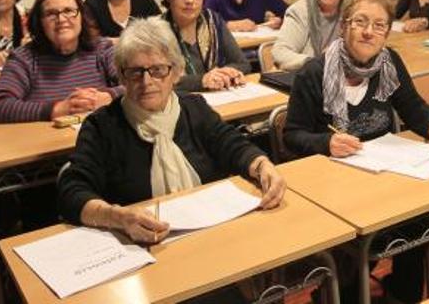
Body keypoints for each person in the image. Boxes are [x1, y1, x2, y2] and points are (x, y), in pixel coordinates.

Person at [57, 18, 284, 303]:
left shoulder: (194, 108)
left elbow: (232, 144)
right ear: (122, 77)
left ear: (175, 72)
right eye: (136, 72)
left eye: (157, 70)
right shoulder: (103, 126)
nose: (147, 81)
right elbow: (71, 191)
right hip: (143, 256)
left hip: (208, 244)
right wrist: (117, 217)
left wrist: (263, 165)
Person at [284, 0, 429, 303]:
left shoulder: (389, 62)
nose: (368, 32)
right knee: (352, 248)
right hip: (334, 182)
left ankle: (401, 293)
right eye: (360, 22)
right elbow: (292, 135)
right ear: (345, 24)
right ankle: (338, 294)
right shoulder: (313, 73)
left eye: (379, 25)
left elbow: (412, 106)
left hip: (384, 171)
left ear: (388, 32)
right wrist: (326, 142)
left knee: (422, 216)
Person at [0, 0, 122, 123]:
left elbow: (136, 85)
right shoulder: (23, 58)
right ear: (40, 22)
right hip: (47, 142)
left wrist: (109, 96)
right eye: (51, 14)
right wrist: (59, 109)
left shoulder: (102, 48)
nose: (61, 19)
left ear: (82, 16)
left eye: (69, 11)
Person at [159, 0, 251, 91]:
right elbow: (159, 79)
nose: (190, 0)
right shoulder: (156, 31)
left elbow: (243, 63)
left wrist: (226, 73)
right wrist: (201, 80)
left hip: (219, 96)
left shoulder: (213, 21)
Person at [272, 0, 352, 71]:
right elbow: (280, 52)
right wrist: (319, 62)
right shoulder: (299, 12)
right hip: (307, 77)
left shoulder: (350, 10)